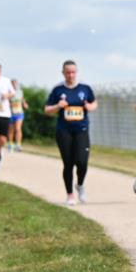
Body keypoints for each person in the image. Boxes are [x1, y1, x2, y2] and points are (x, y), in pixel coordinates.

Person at [44, 61, 97, 206]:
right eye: (68, 72)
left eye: (73, 72)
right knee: (68, 164)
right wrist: (57, 106)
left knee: (82, 162)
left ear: (77, 72)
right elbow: (47, 110)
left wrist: (89, 107)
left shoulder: (85, 88)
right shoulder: (57, 90)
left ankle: (80, 184)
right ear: (63, 73)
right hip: (64, 131)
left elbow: (94, 103)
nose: (71, 75)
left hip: (82, 129)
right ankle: (70, 194)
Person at [8, 78, 27, 152]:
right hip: (10, 113)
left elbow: (22, 99)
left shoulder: (20, 92)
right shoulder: (8, 92)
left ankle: (18, 145)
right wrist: (11, 104)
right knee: (11, 130)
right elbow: (5, 102)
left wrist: (24, 104)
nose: (15, 85)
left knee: (18, 129)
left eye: (16, 84)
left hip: (19, 113)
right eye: (13, 84)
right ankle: (10, 144)